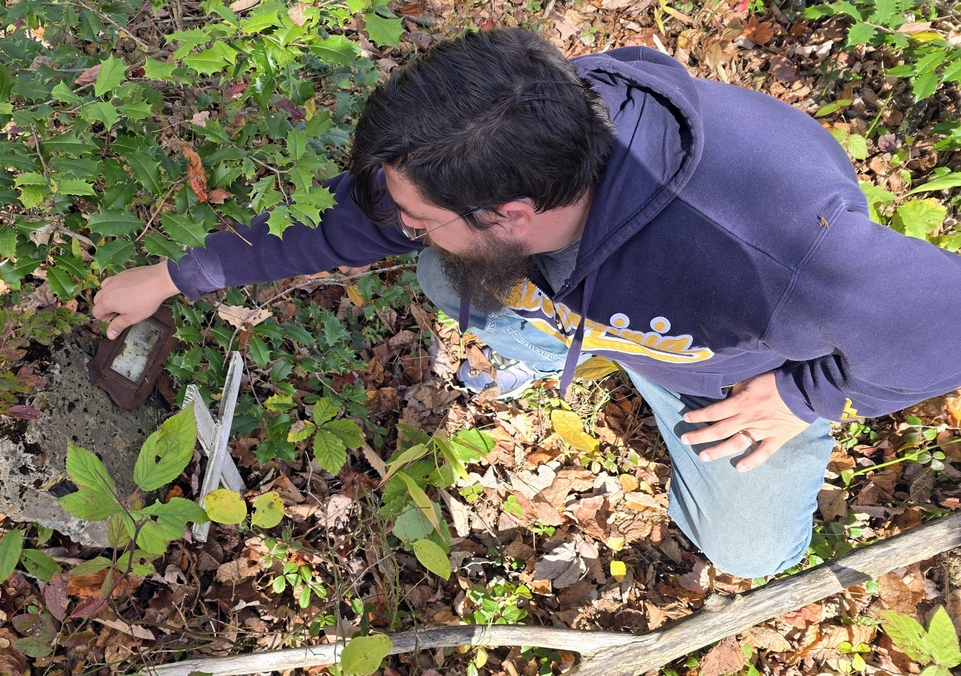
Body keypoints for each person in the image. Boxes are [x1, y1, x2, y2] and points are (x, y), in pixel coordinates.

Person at [93, 29, 961, 578]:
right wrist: (174, 277)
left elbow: (947, 321)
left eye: (420, 216)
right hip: (616, 307)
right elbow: (349, 225)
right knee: (447, 277)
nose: (401, 225)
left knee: (748, 554)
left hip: (733, 369)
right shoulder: (516, 129)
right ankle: (578, 350)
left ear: (513, 214)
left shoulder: (777, 247)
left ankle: (675, 394)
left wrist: (803, 394)